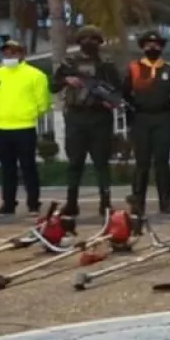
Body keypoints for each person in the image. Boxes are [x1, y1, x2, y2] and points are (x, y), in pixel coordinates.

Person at [51, 25, 125, 216]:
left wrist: (111, 102)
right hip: (76, 116)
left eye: (93, 38)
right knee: (75, 162)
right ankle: (71, 203)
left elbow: (119, 89)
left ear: (99, 42)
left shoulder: (106, 64)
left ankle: (105, 203)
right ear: (79, 41)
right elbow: (53, 86)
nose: (89, 42)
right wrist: (66, 80)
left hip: (100, 117)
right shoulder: (69, 63)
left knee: (102, 162)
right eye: (84, 38)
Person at [121, 30, 170, 215]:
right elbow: (125, 92)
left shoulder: (169, 69)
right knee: (142, 163)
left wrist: (166, 106)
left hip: (163, 119)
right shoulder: (134, 68)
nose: (152, 47)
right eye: (148, 44)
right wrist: (135, 107)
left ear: (162, 47)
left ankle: (165, 202)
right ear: (142, 47)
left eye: (156, 44)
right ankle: (138, 202)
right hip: (141, 119)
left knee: (162, 163)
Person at [0, 39, 51, 215]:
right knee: (7, 169)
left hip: (25, 128)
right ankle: (8, 204)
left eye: (13, 52)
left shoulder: (35, 75)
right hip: (1, 128)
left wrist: (30, 114)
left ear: (21, 54)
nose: (9, 56)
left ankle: (33, 204)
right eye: (5, 53)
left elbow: (43, 102)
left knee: (28, 167)